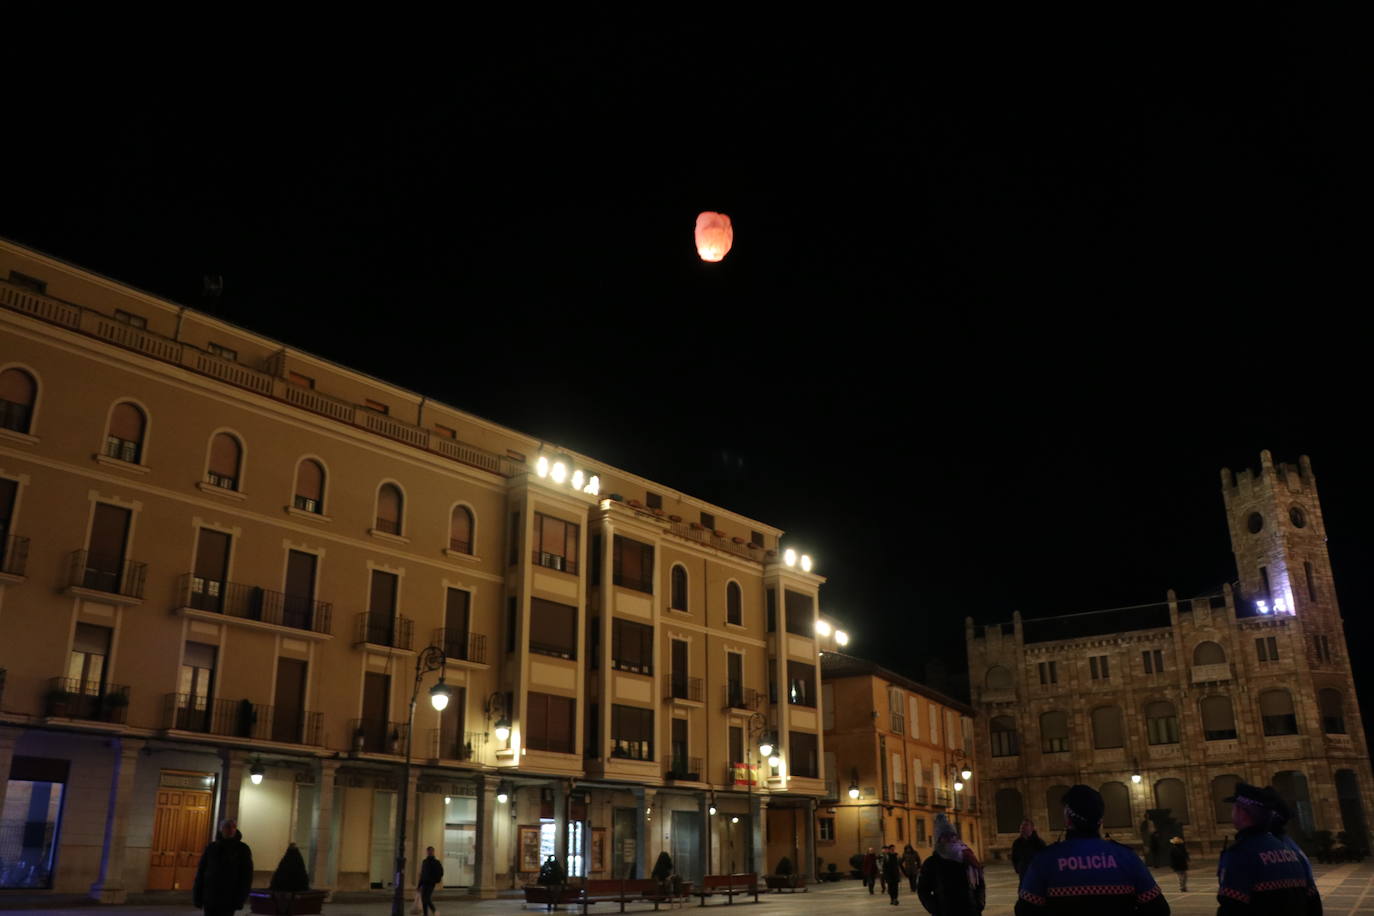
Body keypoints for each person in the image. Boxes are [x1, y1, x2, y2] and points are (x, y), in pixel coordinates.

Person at [1014, 785, 1167, 916]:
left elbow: (1025, 910)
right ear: (1100, 820)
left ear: (1067, 818)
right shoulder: (1126, 857)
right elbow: (1158, 909)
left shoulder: (1046, 860)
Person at [1216, 782, 1321, 914]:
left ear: (1242, 813)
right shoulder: (1290, 851)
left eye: (1234, 808)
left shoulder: (1241, 854)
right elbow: (1313, 903)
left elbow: (1232, 907)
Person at [916, 814, 984, 916]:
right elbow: (923, 890)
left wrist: (979, 904)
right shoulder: (931, 863)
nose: (950, 839)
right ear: (939, 840)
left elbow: (979, 884)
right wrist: (935, 909)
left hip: (970, 911)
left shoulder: (967, 858)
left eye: (953, 835)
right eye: (945, 836)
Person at [193, 818, 254, 916]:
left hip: (229, 897)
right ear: (221, 829)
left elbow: (246, 875)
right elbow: (201, 872)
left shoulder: (242, 849)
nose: (230, 829)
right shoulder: (211, 847)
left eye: (233, 827)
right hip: (211, 896)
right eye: (227, 827)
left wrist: (241, 898)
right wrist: (197, 896)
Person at [418, 845, 444, 916]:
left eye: (432, 851)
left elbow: (441, 872)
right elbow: (422, 873)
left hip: (431, 883)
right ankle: (427, 913)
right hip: (424, 882)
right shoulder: (425, 861)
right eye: (429, 851)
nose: (430, 852)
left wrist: (436, 880)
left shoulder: (436, 862)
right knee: (425, 899)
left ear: (433, 852)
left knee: (426, 898)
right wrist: (419, 885)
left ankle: (433, 910)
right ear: (427, 852)